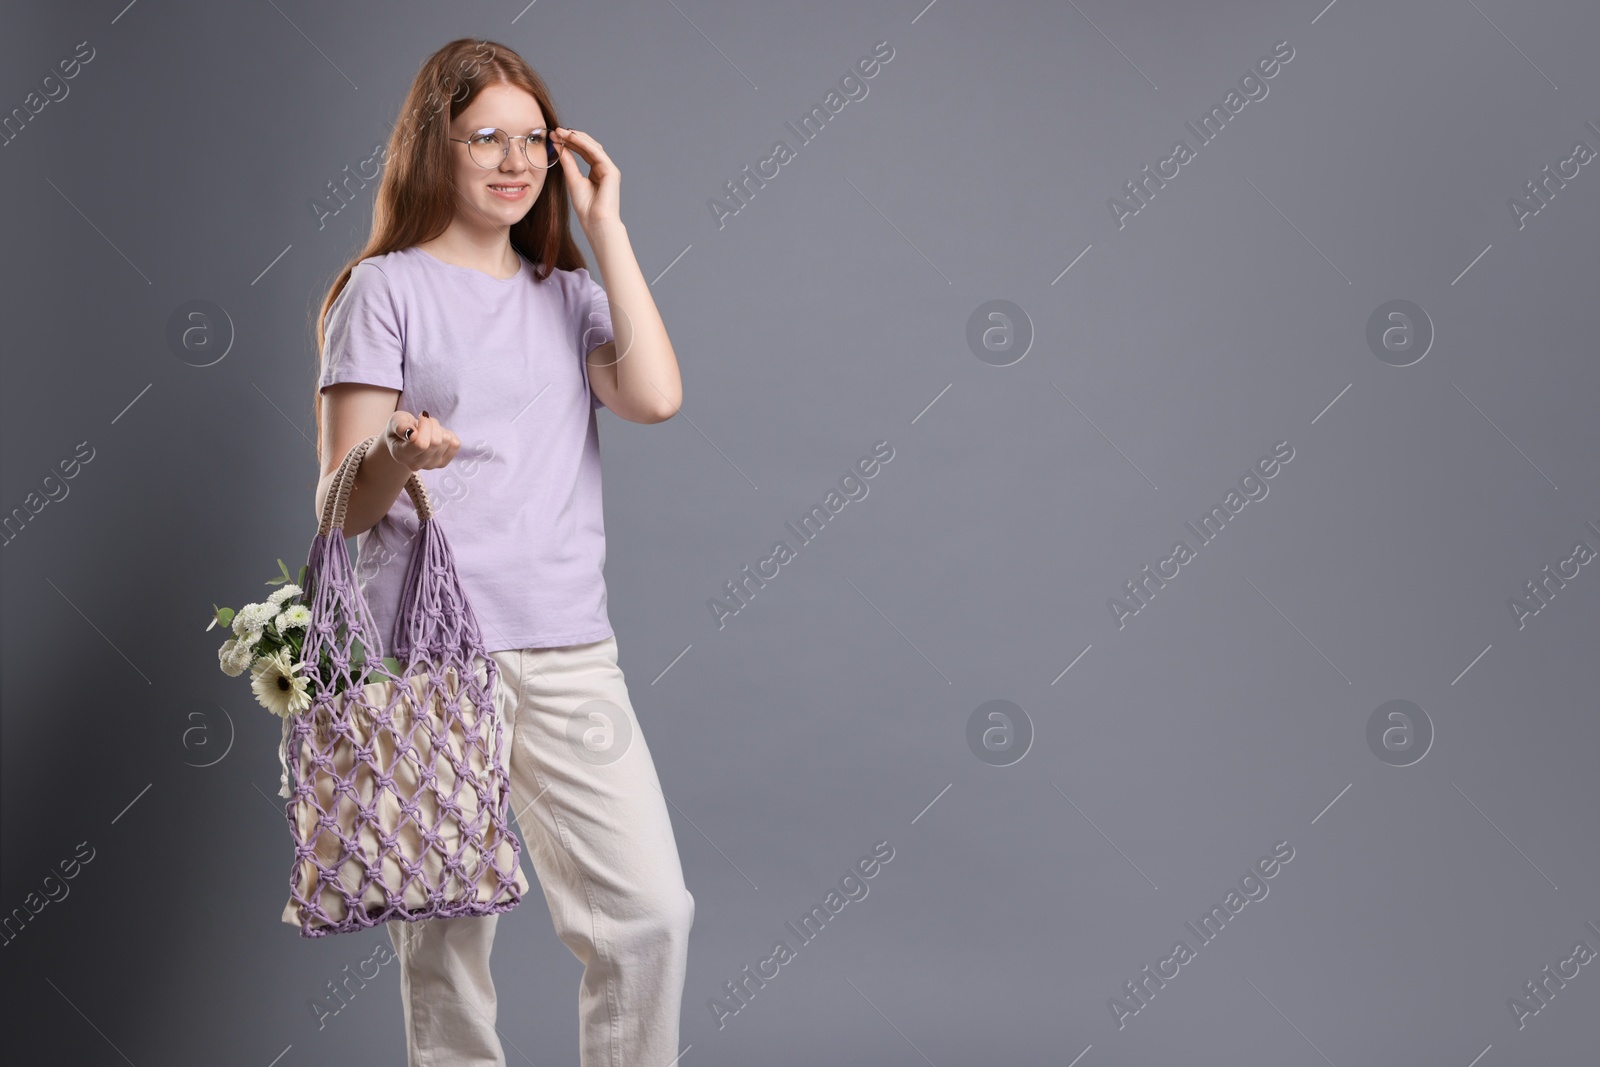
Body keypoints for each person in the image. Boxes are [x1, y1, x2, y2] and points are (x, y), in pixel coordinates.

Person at [311, 37, 692, 1067]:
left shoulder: (567, 297)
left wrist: (607, 230)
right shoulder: (382, 292)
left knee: (650, 912)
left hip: (568, 651)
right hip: (428, 659)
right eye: (488, 137)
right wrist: (396, 449)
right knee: (444, 944)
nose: (515, 161)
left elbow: (655, 396)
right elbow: (340, 506)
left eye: (533, 141)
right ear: (435, 146)